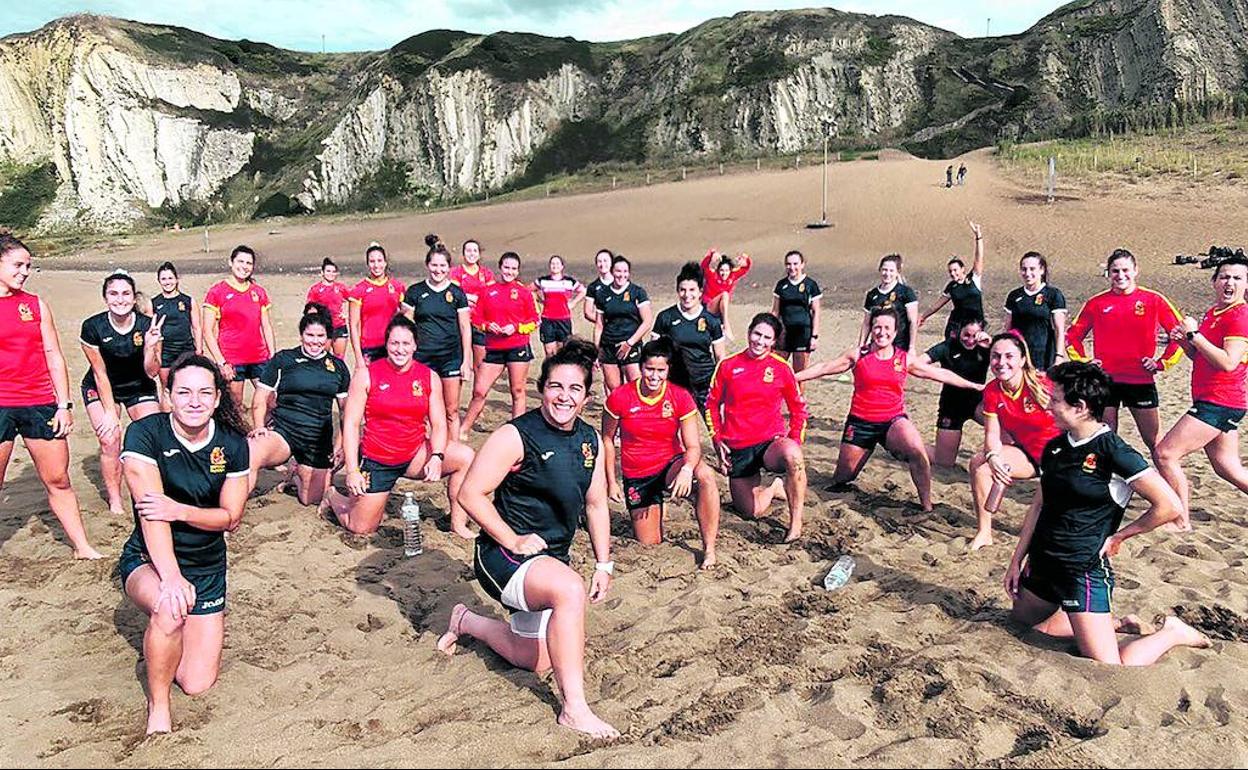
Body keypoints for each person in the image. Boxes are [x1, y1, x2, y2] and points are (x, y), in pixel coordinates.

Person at [434, 338, 619, 739]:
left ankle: (467, 621)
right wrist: (512, 539)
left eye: (575, 389)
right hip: (502, 557)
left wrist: (604, 563)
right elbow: (470, 494)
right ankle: (575, 709)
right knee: (570, 590)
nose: (564, 396)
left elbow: (596, 506)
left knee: (532, 659)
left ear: (586, 397)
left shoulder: (590, 442)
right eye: (556, 386)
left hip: (548, 559)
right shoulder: (516, 435)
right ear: (542, 389)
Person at [1004, 361, 1210, 665]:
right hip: (1043, 563)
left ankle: (1172, 633)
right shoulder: (1055, 448)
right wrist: (1016, 560)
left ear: (1081, 407)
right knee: (1023, 628)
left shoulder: (1114, 452)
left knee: (1110, 665)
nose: (1048, 405)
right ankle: (1113, 624)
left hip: (1082, 569)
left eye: (1055, 399)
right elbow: (1039, 505)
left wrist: (1122, 535)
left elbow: (1169, 506)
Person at [118, 354, 251, 733]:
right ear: (169, 395)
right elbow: (151, 514)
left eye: (205, 393)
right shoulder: (145, 434)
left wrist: (180, 509)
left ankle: (166, 639)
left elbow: (230, 517)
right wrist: (171, 577)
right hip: (150, 559)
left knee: (196, 683)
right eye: (185, 392)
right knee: (169, 607)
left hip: (207, 566)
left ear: (216, 398)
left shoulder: (233, 444)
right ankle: (158, 706)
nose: (194, 401)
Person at [799, 308, 984, 511]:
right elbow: (824, 367)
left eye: (887, 328)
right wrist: (793, 377)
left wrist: (974, 386)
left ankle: (927, 505)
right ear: (871, 329)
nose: (881, 332)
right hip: (860, 423)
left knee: (917, 449)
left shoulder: (903, 359)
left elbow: (940, 374)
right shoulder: (858, 355)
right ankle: (846, 472)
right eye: (877, 327)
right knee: (843, 477)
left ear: (895, 333)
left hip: (893, 421)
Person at [321, 316, 474, 538]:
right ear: (386, 344)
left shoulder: (428, 377)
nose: (399, 349)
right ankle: (333, 496)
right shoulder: (366, 375)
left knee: (465, 456)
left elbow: (440, 424)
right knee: (361, 528)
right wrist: (352, 471)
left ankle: (457, 524)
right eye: (394, 343)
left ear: (415, 346)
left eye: (405, 344)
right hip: (377, 458)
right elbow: (352, 424)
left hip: (414, 454)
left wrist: (437, 456)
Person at [0, 232, 101, 559]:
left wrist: (64, 405)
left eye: (28, 266)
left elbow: (53, 354)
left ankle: (82, 547)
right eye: (18, 265)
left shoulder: (34, 304)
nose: (24, 272)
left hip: (39, 401)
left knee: (58, 479)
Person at [602, 339, 721, 568]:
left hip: (670, 465)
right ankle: (657, 505)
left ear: (668, 370)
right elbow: (607, 439)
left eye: (660, 370)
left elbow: (693, 446)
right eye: (649, 369)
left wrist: (687, 470)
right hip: (638, 473)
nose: (654, 376)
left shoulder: (680, 396)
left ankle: (709, 549)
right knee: (650, 543)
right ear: (640, 367)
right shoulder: (620, 396)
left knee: (705, 476)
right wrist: (611, 482)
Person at [1155, 255, 1248, 529]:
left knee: (1165, 454)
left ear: (1246, 285)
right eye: (1224, 277)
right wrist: (1185, 342)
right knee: (1226, 468)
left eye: (1236, 278)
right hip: (1215, 399)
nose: (1229, 282)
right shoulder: (1214, 312)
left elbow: (1228, 362)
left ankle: (1180, 519)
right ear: (1214, 281)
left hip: (1221, 401)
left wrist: (1195, 335)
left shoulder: (1240, 316)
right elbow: (1202, 357)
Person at [1066, 248, 1183, 455]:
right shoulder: (1096, 303)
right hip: (1105, 380)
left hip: (1140, 380)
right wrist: (1085, 362)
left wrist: (1161, 363)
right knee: (1105, 437)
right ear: (1108, 274)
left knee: (1154, 442)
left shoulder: (1153, 300)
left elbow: (1180, 334)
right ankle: (1106, 484)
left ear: (1136, 270)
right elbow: (1072, 337)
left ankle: (1168, 485)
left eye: (1125, 270)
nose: (1121, 276)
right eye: (1115, 271)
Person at [706, 313, 808, 542]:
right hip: (739, 446)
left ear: (774, 342)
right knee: (751, 511)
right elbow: (711, 404)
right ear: (749, 333)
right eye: (757, 334)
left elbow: (799, 409)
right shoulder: (728, 366)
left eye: (767, 338)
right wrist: (717, 438)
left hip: (771, 443)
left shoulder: (781, 368)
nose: (760, 341)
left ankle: (796, 522)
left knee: (794, 457)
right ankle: (774, 487)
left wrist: (794, 442)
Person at [968, 332, 1062, 551]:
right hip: (1029, 453)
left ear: (1022, 360)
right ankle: (985, 532)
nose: (1001, 363)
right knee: (979, 465)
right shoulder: (992, 390)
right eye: (996, 356)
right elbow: (991, 434)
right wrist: (992, 457)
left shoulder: (1044, 384)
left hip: (1061, 456)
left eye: (1009, 356)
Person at [81, 271, 164, 515]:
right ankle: (115, 498)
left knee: (153, 438)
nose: (120, 299)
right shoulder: (92, 327)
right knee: (110, 439)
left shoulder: (147, 325)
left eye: (126, 293)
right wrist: (109, 412)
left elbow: (152, 372)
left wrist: (150, 348)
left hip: (139, 385)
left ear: (133, 296)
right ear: (105, 297)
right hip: (101, 385)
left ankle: (155, 489)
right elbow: (99, 373)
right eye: (114, 294)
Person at [248, 308, 350, 506]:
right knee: (250, 452)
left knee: (311, 500)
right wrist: (259, 426)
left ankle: (297, 473)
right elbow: (260, 398)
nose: (315, 341)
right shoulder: (283, 359)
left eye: (321, 336)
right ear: (301, 335)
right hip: (283, 433)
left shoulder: (338, 367)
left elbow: (347, 412)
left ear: (328, 337)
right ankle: (230, 509)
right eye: (309, 335)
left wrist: (341, 444)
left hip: (316, 441)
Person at [460, 252, 540, 438]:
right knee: (480, 390)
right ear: (500, 267)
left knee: (517, 390)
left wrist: (517, 327)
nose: (509, 272)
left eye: (513, 268)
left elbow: (535, 320)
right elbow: (476, 318)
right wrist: (488, 326)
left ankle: (516, 431)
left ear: (518, 270)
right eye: (506, 267)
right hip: (494, 348)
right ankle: (464, 428)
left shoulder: (524, 292)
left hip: (517, 346)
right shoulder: (488, 291)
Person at [403, 241, 472, 440]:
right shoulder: (415, 292)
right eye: (434, 265)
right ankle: (420, 451)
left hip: (450, 357)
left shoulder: (457, 294)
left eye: (442, 266)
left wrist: (466, 361)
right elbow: (406, 326)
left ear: (449, 268)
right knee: (421, 409)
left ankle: (452, 452)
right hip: (422, 358)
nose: (438, 270)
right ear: (427, 265)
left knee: (451, 410)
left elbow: (465, 328)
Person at [202, 245, 276, 405]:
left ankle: (263, 429)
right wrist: (221, 362)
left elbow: (267, 326)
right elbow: (207, 331)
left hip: (259, 357)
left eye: (249, 263)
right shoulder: (217, 292)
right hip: (232, 360)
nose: (244, 266)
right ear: (231, 262)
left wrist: (272, 355)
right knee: (235, 405)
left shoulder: (259, 292)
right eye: (240, 261)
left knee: (270, 401)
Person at [652, 262, 727, 417]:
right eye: (682, 290)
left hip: (705, 381)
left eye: (692, 290)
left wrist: (721, 383)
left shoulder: (711, 321)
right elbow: (654, 352)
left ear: (700, 292)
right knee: (673, 425)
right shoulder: (665, 317)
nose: (687, 295)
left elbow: (720, 357)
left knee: (713, 424)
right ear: (677, 291)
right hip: (676, 382)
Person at [918, 317, 991, 467]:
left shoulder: (987, 348)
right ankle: (907, 447)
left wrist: (991, 344)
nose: (970, 340)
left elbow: (1014, 355)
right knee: (944, 461)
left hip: (978, 403)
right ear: (959, 332)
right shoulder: (947, 347)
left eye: (974, 335)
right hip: (952, 407)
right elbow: (918, 363)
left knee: (1007, 427)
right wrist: (941, 374)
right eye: (966, 335)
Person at [594, 255, 654, 391]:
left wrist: (629, 343)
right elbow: (599, 325)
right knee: (615, 389)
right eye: (618, 271)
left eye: (625, 271)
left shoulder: (637, 292)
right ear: (612, 271)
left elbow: (647, 321)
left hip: (631, 345)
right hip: (609, 346)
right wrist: (597, 351)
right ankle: (620, 413)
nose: (622, 275)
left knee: (637, 386)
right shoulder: (603, 294)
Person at [919, 222, 985, 341]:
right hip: (957, 324)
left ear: (963, 269)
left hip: (976, 323)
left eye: (955, 270)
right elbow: (937, 305)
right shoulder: (952, 287)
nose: (953, 273)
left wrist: (978, 236)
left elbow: (979, 257)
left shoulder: (973, 278)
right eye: (950, 271)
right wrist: (922, 317)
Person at [1003, 251, 1068, 371]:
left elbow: (1060, 329)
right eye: (1024, 269)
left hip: (1044, 357)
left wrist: (1059, 356)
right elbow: (1008, 328)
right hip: (1020, 356)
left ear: (1042, 270)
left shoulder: (1053, 294)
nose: (1027, 273)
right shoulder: (1014, 295)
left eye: (1032, 269)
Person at [348, 242, 405, 367]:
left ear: (385, 262)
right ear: (368, 264)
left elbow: (406, 316)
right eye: (372, 261)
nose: (376, 265)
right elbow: (353, 324)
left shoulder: (397, 287)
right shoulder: (359, 290)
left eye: (379, 260)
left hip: (393, 345)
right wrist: (358, 357)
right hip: (369, 347)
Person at [152, 262, 202, 398]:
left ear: (176, 279)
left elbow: (197, 327)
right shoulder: (154, 303)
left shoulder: (188, 301)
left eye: (170, 278)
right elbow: (151, 331)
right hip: (165, 352)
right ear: (159, 281)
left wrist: (199, 350)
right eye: (163, 279)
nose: (167, 282)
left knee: (189, 385)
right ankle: (166, 417)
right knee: (167, 387)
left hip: (186, 349)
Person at [449, 237, 495, 376]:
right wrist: (467, 297)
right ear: (463, 253)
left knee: (480, 365)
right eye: (468, 250)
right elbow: (453, 294)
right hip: (459, 322)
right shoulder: (455, 272)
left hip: (479, 322)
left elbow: (491, 296)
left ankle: (478, 396)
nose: (471, 253)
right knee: (459, 364)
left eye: (475, 250)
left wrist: (478, 299)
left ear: (479, 254)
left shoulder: (486, 273)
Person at [771, 250, 822, 374]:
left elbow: (816, 312)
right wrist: (771, 333)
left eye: (795, 264)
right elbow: (775, 311)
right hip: (784, 333)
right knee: (775, 368)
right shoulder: (781, 285)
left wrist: (814, 336)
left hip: (803, 334)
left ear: (802, 264)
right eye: (788, 264)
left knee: (799, 374)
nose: (792, 267)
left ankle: (798, 394)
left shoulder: (811, 285)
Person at [862, 253, 918, 352]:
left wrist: (912, 347)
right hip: (877, 345)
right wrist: (861, 345)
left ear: (897, 272)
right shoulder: (872, 294)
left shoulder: (906, 292)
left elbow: (913, 322)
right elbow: (867, 324)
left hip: (900, 346)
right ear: (880, 270)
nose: (887, 274)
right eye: (884, 270)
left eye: (891, 270)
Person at [533, 255, 585, 356]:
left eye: (557, 263)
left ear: (562, 266)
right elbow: (529, 290)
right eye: (552, 263)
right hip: (547, 320)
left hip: (563, 320)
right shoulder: (543, 281)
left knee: (563, 351)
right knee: (549, 353)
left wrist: (573, 303)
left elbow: (583, 291)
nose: (555, 266)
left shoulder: (569, 281)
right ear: (549, 266)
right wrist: (540, 301)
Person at [700, 248, 751, 342]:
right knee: (724, 294)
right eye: (722, 270)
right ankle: (726, 325)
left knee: (724, 296)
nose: (724, 273)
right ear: (718, 270)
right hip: (708, 306)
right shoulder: (712, 275)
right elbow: (704, 266)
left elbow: (745, 268)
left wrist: (745, 258)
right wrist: (711, 255)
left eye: (727, 270)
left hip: (720, 309)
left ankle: (722, 325)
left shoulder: (732, 276)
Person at [305, 257, 350, 359]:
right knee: (323, 357)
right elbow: (309, 309)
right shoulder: (315, 289)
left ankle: (339, 375)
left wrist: (347, 313)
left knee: (339, 357)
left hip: (339, 326)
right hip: (324, 326)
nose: (331, 274)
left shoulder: (341, 287)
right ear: (322, 273)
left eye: (334, 271)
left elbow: (354, 300)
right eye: (328, 271)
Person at [581, 248, 614, 330]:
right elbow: (588, 313)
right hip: (604, 331)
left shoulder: (622, 283)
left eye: (605, 260)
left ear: (612, 263)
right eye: (599, 261)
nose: (602, 264)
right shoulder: (593, 287)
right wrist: (605, 322)